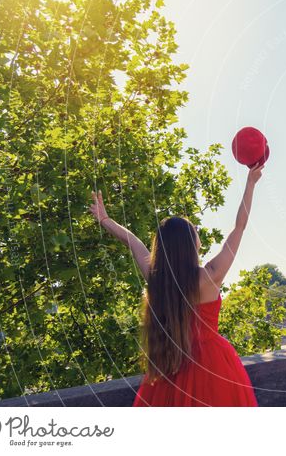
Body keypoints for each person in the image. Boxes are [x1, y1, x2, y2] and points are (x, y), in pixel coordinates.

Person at [88, 164, 264, 406]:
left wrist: (105, 220)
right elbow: (240, 226)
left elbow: (134, 243)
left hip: (173, 366)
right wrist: (251, 183)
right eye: (195, 230)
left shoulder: (158, 279)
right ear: (191, 243)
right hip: (215, 368)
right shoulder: (210, 275)